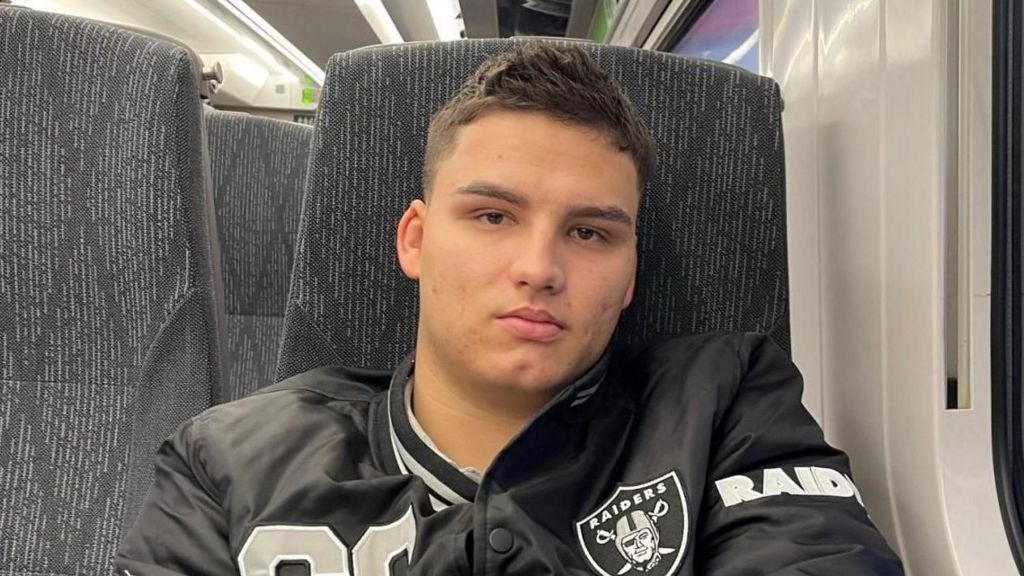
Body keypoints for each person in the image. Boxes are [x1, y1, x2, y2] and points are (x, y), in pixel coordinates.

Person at [115, 41, 904, 576]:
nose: (539, 268)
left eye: (590, 232)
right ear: (416, 241)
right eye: (493, 217)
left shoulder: (725, 407)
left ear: (631, 275)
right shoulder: (225, 461)